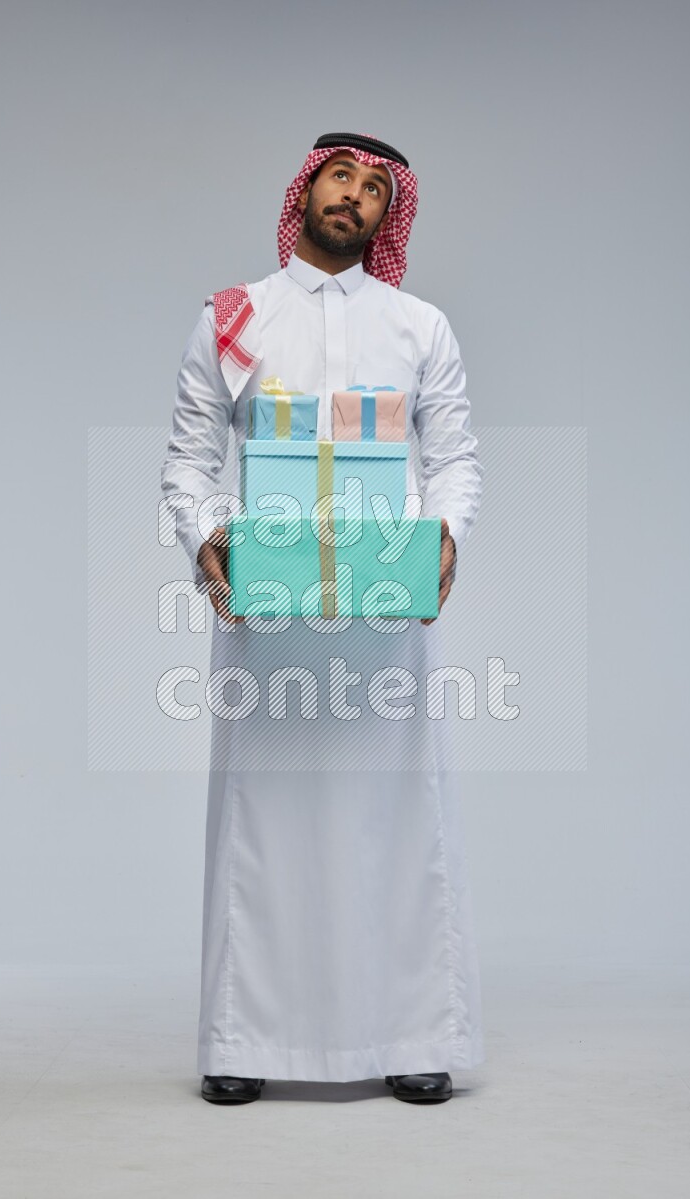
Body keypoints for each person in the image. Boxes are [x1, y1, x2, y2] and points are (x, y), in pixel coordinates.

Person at [160, 132, 485, 1105]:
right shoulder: (232, 317)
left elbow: (456, 457)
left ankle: (412, 1032)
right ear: (304, 189)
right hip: (267, 612)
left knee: (395, 814)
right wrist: (208, 534)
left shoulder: (420, 325)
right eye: (341, 176)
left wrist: (444, 535)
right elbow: (188, 457)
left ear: (392, 216)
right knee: (265, 818)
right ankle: (242, 1036)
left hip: (382, 611)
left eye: (377, 188)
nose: (355, 195)